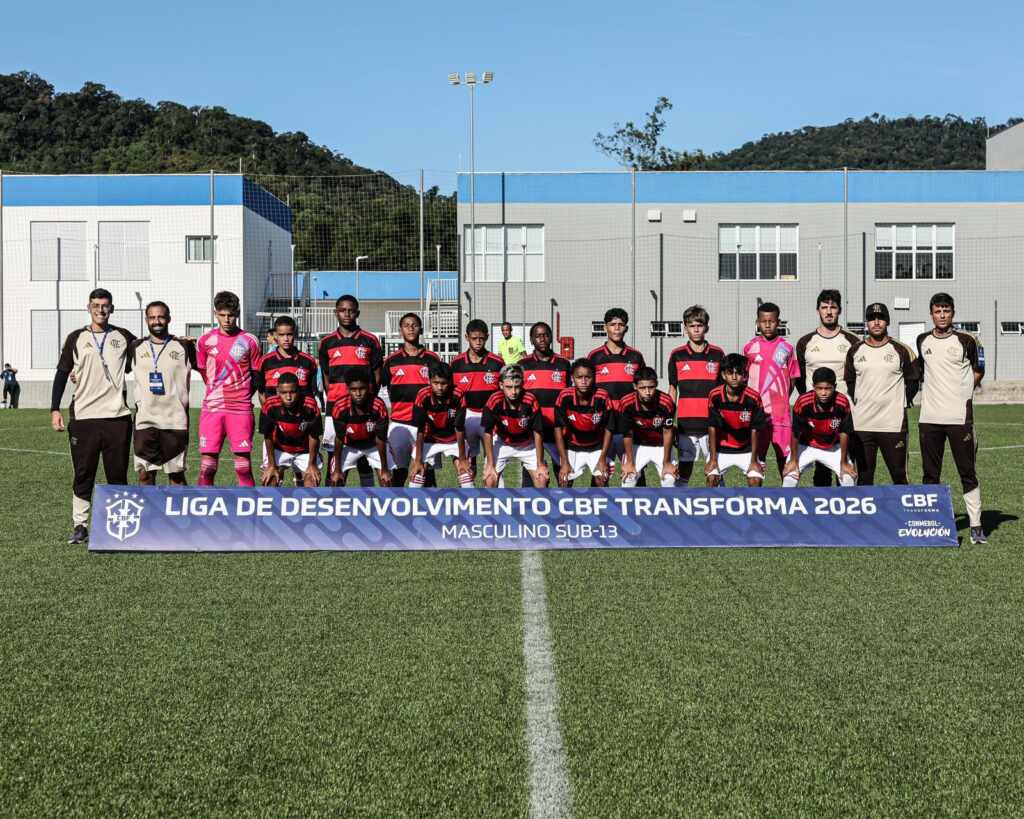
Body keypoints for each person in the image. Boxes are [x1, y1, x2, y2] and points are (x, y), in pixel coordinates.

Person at [51, 288, 136, 544]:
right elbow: (62, 373)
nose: (101, 310)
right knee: (83, 472)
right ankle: (80, 526)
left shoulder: (123, 337)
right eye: (96, 305)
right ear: (88, 307)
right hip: (84, 417)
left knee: (117, 473)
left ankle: (117, 527)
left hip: (117, 417)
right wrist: (54, 408)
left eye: (105, 305)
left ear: (112, 308)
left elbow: (149, 353)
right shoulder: (76, 337)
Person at [916, 293, 986, 544]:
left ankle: (976, 526)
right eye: (937, 311)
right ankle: (933, 524)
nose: (942, 315)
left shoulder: (967, 340)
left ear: (953, 313)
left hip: (958, 417)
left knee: (967, 472)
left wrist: (964, 393)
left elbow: (980, 370)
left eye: (946, 310)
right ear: (931, 314)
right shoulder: (922, 340)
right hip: (930, 418)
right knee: (930, 474)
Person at [844, 303, 918, 485]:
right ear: (866, 323)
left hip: (892, 425)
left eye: (881, 318)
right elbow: (850, 382)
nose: (876, 322)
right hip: (862, 425)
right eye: (871, 318)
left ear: (888, 321)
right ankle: (864, 515)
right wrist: (861, 402)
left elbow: (914, 380)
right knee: (864, 478)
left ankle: (903, 514)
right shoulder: (855, 350)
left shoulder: (901, 350)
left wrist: (901, 402)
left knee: (900, 476)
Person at [795, 289, 861, 486]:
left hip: (845, 412)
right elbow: (800, 377)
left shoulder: (851, 341)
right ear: (818, 311)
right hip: (816, 414)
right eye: (824, 307)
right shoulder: (806, 342)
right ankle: (822, 514)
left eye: (833, 307)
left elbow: (858, 375)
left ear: (839, 310)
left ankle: (846, 512)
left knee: (846, 467)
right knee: (821, 468)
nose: (829, 312)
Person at [196, 291, 262, 487]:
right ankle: (203, 508)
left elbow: (257, 375)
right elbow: (204, 372)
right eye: (222, 315)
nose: (227, 319)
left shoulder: (250, 341)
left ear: (238, 313)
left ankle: (247, 511)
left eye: (231, 315)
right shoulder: (205, 341)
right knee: (207, 466)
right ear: (215, 314)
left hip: (240, 408)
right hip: (212, 408)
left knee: (243, 466)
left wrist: (241, 395)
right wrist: (217, 391)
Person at [318, 294, 383, 487]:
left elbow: (377, 374)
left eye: (351, 310)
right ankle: (333, 502)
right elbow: (326, 375)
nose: (347, 314)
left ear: (357, 313)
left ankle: (368, 500)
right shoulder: (327, 342)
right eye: (342, 310)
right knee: (334, 455)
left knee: (364, 453)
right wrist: (335, 398)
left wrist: (368, 399)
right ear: (335, 313)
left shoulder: (370, 340)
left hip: (364, 408)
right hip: (335, 408)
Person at [128, 301, 195, 486]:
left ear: (169, 319)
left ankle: (178, 515)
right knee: (145, 475)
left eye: (161, 317)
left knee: (176, 476)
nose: (156, 321)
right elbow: (112, 367)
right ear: (146, 320)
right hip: (145, 420)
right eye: (152, 317)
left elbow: (209, 366)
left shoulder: (184, 346)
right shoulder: (135, 347)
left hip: (175, 421)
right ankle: (149, 515)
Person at [381, 312, 440, 487]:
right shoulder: (391, 360)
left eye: (414, 325)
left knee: (426, 472)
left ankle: (431, 511)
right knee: (399, 473)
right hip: (400, 423)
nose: (411, 328)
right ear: (400, 330)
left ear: (421, 329)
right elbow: (379, 387)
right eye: (406, 325)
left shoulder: (432, 359)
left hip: (427, 424)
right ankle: (396, 509)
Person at [667, 305, 723, 484]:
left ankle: (717, 507)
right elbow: (672, 389)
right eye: (692, 325)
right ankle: (679, 506)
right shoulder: (677, 355)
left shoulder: (718, 353)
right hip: (685, 423)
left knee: (714, 473)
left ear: (707, 327)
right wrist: (670, 419)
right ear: (685, 328)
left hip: (711, 424)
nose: (696, 329)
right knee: (684, 470)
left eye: (700, 325)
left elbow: (722, 391)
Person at [588, 307, 646, 481]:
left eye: (621, 324)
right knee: (600, 474)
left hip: (628, 425)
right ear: (605, 327)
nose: (617, 328)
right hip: (603, 425)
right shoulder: (594, 356)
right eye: (613, 324)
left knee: (634, 472)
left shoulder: (636, 357)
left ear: (626, 328)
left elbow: (643, 388)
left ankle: (637, 507)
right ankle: (597, 507)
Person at [743, 302, 800, 478]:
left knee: (785, 461)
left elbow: (793, 378)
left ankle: (787, 498)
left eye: (771, 321)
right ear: (757, 322)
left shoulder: (787, 348)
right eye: (763, 321)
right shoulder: (749, 347)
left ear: (778, 322)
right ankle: (757, 499)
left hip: (780, 415)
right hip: (757, 414)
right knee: (756, 462)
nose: (767, 325)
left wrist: (781, 400)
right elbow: (743, 379)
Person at [782, 367, 857, 487]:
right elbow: (795, 432)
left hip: (832, 447)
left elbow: (844, 432)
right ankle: (788, 505)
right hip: (806, 446)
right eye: (819, 388)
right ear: (813, 386)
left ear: (835, 386)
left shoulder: (842, 402)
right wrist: (793, 460)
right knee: (789, 479)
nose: (823, 393)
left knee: (848, 478)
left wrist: (843, 462)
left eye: (828, 388)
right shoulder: (803, 402)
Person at [479, 364, 548, 488]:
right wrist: (490, 464)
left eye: (517, 387)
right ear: (501, 385)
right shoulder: (494, 400)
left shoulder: (530, 400)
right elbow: (487, 432)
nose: (514, 392)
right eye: (509, 387)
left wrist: (540, 463)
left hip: (527, 444)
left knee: (542, 478)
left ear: (522, 384)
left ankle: (535, 506)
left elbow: (538, 432)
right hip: (502, 442)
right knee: (490, 480)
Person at [450, 319, 503, 481]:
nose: (478, 342)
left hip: (490, 419)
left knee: (493, 467)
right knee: (467, 467)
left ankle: (494, 498)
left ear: (487, 337)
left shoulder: (497, 363)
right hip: (466, 417)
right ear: (467, 337)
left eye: (481, 338)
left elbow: (503, 393)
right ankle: (468, 497)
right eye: (474, 338)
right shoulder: (456, 364)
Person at [705, 354, 768, 487]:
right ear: (723, 375)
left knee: (755, 481)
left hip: (746, 448)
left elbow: (755, 430)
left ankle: (751, 507)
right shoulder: (714, 395)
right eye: (730, 373)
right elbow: (712, 427)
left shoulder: (753, 398)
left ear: (744, 375)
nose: (734, 377)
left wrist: (754, 461)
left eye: (738, 373)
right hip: (722, 448)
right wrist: (713, 459)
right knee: (712, 479)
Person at [520, 321, 572, 477]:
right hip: (533, 426)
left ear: (551, 338)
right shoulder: (523, 364)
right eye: (538, 336)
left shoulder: (563, 363)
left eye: (545, 335)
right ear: (531, 340)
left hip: (557, 425)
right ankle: (533, 500)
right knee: (534, 471)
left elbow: (568, 394)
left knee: (562, 471)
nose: (542, 339)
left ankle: (563, 499)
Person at [409, 361, 473, 488]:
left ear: (450, 382)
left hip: (453, 439)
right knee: (416, 476)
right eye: (435, 383)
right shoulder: (422, 396)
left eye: (443, 383)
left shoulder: (458, 395)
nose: (439, 387)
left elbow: (459, 428)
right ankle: (415, 506)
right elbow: (420, 430)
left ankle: (469, 505)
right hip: (430, 439)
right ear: (429, 381)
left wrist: (462, 459)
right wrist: (417, 460)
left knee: (466, 476)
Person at [554, 358, 614, 487]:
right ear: (572, 378)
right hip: (573, 447)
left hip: (596, 447)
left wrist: (603, 458)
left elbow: (609, 429)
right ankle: (565, 506)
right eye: (579, 377)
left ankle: (600, 506)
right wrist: (564, 461)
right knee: (564, 481)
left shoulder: (602, 396)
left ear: (594, 378)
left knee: (602, 479)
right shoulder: (564, 397)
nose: (584, 381)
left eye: (588, 377)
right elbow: (558, 430)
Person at [329, 368, 391, 487]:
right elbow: (339, 438)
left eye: (362, 389)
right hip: (349, 446)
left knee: (386, 481)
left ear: (368, 387)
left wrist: (384, 468)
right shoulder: (340, 407)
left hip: (373, 446)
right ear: (348, 389)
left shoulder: (378, 405)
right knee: (335, 481)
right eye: (353, 390)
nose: (358, 394)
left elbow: (380, 439)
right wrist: (337, 469)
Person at [258, 372, 323, 487]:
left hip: (305, 450)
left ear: (299, 390)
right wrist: (272, 465)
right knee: (270, 480)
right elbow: (267, 436)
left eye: (292, 392)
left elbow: (314, 436)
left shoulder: (310, 406)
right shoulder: (270, 405)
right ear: (278, 391)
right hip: (280, 448)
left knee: (311, 481)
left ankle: (301, 482)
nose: (288, 397)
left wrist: (312, 464)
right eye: (284, 393)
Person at [618, 367, 677, 487]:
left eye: (651, 387)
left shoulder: (666, 402)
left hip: (661, 446)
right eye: (642, 388)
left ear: (656, 385)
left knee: (669, 479)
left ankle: (665, 505)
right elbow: (627, 433)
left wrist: (666, 462)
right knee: (628, 479)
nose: (647, 392)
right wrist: (629, 462)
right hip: (638, 445)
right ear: (635, 386)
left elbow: (668, 432)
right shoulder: (626, 403)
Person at [255, 316, 320, 407]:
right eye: (281, 335)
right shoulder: (265, 361)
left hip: (301, 418)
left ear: (295, 334)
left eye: (289, 334)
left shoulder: (308, 361)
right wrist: (268, 411)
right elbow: (261, 392)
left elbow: (312, 391)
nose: (286, 339)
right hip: (274, 418)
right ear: (276, 336)